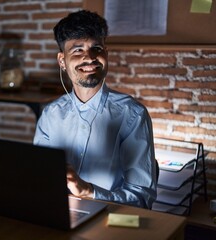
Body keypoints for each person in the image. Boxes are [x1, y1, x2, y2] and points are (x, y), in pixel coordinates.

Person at [33, 10, 157, 209]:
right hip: (56, 213)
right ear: (62, 61)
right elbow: (39, 180)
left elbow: (142, 199)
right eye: (77, 50)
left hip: (110, 220)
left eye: (96, 48)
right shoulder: (50, 114)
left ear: (106, 54)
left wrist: (89, 192)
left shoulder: (132, 115)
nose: (89, 58)